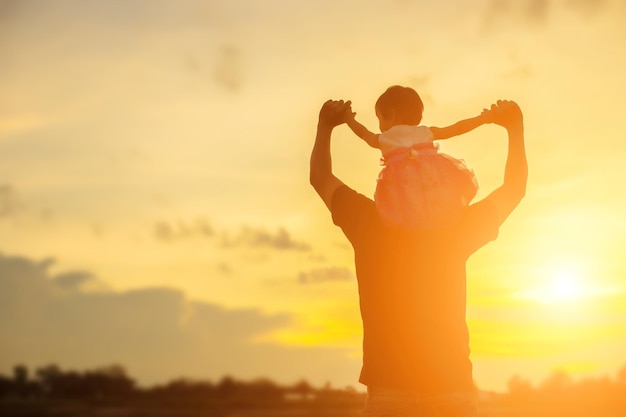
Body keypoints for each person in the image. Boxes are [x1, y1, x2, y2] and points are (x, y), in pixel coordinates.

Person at [309, 98, 527, 416]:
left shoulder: (367, 221)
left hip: (389, 392)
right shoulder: (454, 227)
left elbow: (320, 177)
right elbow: (515, 187)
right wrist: (514, 128)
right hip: (452, 390)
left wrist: (326, 126)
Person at [346, 85, 492, 229]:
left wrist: (349, 120)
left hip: (403, 187)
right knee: (438, 205)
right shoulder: (425, 132)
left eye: (379, 118)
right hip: (433, 181)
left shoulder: (386, 138)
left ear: (390, 114)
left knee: (404, 209)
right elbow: (457, 129)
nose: (380, 124)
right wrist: (481, 119)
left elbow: (363, 134)